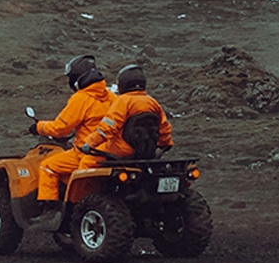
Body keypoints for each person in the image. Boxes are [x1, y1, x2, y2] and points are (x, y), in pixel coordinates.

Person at [29, 55, 116, 213]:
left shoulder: (81, 99)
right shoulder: (112, 97)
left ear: (77, 78)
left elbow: (60, 128)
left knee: (48, 167)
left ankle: (51, 210)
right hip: (113, 152)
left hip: (87, 152)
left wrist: (39, 127)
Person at [76, 64, 174, 168]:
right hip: (146, 151)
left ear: (123, 84)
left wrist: (89, 143)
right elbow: (164, 128)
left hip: (121, 151)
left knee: (87, 161)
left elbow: (107, 128)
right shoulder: (152, 102)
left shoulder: (123, 102)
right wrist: (166, 143)